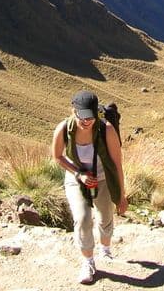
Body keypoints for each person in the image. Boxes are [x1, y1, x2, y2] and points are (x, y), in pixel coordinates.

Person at [52, 90, 128, 285]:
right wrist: (79, 174)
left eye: (90, 117)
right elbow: (57, 157)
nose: (86, 121)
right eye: (82, 116)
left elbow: (117, 163)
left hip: (103, 179)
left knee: (105, 216)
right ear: (73, 111)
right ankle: (88, 262)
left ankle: (105, 249)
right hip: (76, 179)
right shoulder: (63, 129)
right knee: (83, 218)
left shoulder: (106, 130)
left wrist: (121, 195)